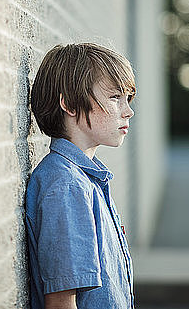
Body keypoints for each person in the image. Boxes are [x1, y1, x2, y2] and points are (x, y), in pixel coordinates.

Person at [25, 42, 136, 309]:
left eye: (127, 99)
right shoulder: (66, 186)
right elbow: (62, 303)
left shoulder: (86, 180)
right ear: (70, 104)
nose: (128, 111)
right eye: (114, 97)